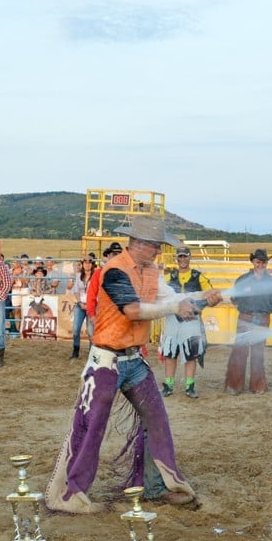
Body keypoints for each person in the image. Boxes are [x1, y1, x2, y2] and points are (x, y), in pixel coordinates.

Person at [46, 215, 222, 514]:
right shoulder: (114, 271)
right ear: (139, 244)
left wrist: (201, 297)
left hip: (131, 359)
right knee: (90, 428)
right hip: (107, 359)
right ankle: (69, 494)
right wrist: (175, 306)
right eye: (155, 246)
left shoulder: (150, 272)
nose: (158, 252)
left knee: (156, 420)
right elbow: (132, 310)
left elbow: (172, 297)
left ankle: (158, 487)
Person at [160, 246, 214, 399]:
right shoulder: (170, 277)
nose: (183, 260)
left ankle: (190, 386)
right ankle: (168, 385)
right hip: (172, 317)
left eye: (185, 257)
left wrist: (196, 309)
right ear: (176, 258)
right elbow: (162, 296)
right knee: (170, 353)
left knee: (191, 354)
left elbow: (209, 294)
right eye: (180, 257)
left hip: (192, 319)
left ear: (190, 258)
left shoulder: (198, 276)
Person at [224, 249, 272, 395]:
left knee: (258, 352)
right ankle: (235, 386)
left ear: (267, 263)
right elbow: (234, 298)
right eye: (258, 261)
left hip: (262, 317)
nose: (261, 264)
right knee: (239, 351)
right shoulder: (243, 280)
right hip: (246, 316)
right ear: (253, 262)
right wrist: (244, 310)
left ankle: (257, 385)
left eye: (263, 262)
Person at [86, 242, 124, 328]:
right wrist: (92, 315)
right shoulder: (99, 274)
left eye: (119, 254)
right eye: (114, 254)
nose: (117, 257)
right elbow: (91, 295)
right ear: (108, 256)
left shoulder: (125, 274)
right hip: (101, 314)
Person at [69, 257, 96, 359]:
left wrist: (90, 305)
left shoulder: (95, 276)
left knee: (90, 332)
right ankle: (75, 350)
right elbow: (76, 290)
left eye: (89, 262)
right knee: (76, 330)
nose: (87, 264)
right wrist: (80, 302)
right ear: (83, 264)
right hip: (80, 305)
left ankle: (92, 352)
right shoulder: (78, 276)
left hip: (91, 306)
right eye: (85, 262)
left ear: (92, 264)